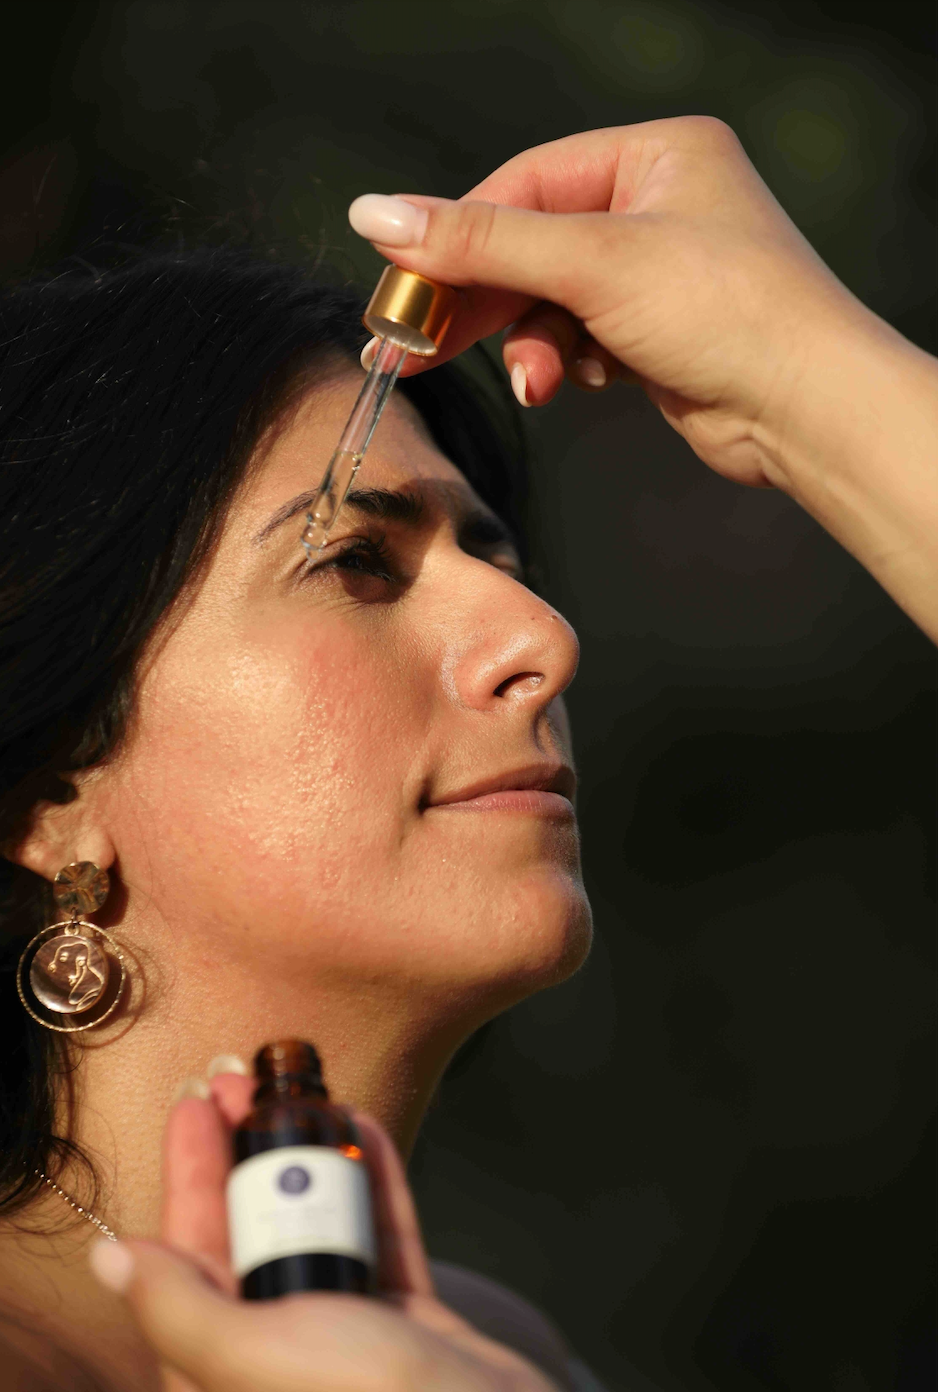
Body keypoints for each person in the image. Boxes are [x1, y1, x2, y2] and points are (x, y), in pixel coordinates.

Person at [0, 117, 934, 1391]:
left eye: (494, 558)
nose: (542, 636)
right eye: (353, 563)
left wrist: (802, 375)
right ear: (52, 788)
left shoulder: (490, 1356)